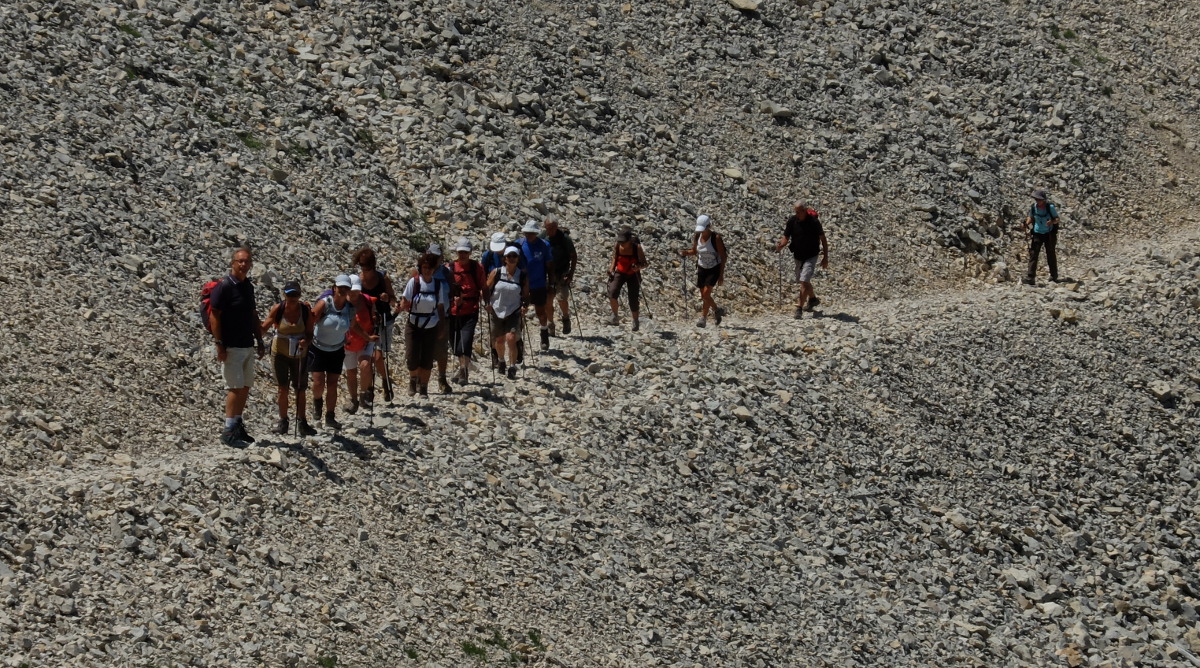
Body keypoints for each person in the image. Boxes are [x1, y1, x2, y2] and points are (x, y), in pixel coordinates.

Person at [208, 246, 266, 448]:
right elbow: (214, 315)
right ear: (233, 263)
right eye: (240, 261)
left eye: (247, 261)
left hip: (247, 343)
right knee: (234, 387)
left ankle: (237, 424)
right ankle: (228, 429)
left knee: (245, 385)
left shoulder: (247, 286)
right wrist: (219, 344)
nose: (243, 265)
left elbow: (252, 313)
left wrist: (259, 340)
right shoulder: (225, 287)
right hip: (231, 345)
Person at [309, 274, 376, 429]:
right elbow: (311, 320)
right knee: (319, 382)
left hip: (337, 350)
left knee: (332, 383)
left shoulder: (349, 309)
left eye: (346, 288)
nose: (343, 290)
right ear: (334, 288)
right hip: (318, 348)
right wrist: (304, 338)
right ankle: (317, 403)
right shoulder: (324, 304)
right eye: (340, 288)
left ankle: (330, 416)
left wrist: (368, 337)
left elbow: (354, 326)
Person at [260, 280, 317, 436]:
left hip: (299, 353)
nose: (292, 298)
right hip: (280, 353)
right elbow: (264, 328)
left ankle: (302, 422)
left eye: (295, 294)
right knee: (282, 388)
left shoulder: (304, 310)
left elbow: (310, 332)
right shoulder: (278, 309)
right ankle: (283, 421)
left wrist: (306, 341)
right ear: (284, 294)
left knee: (300, 388)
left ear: (299, 295)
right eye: (290, 294)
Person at [353, 246, 399, 403]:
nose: (365, 269)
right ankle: (370, 390)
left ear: (373, 265)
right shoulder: (358, 280)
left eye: (367, 266)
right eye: (362, 266)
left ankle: (385, 383)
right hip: (366, 322)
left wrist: (388, 298)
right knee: (370, 357)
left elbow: (394, 300)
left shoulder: (382, 278)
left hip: (383, 320)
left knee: (378, 356)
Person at [400, 253, 449, 397]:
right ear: (421, 268)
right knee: (411, 356)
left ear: (434, 269)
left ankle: (423, 388)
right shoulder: (414, 282)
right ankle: (413, 379)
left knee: (427, 358)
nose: (427, 270)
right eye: (424, 267)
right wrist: (403, 304)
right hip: (414, 324)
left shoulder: (437, 285)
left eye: (429, 268)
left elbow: (440, 307)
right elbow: (405, 300)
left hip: (431, 324)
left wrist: (441, 326)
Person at [776, 201, 829, 319]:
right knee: (803, 281)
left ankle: (799, 308)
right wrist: (781, 245)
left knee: (804, 280)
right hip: (798, 255)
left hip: (811, 255)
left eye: (799, 211)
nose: (797, 214)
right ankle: (813, 299)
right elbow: (786, 236)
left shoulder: (814, 222)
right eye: (796, 211)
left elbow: (823, 240)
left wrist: (825, 257)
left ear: (805, 210)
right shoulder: (792, 221)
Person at [447, 238, 487, 385]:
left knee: (466, 340)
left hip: (471, 310)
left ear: (470, 252)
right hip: (453, 311)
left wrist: (487, 302)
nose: (462, 255)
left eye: (465, 252)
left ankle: (464, 370)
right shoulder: (450, 268)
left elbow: (483, 286)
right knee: (455, 342)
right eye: (460, 252)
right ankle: (462, 367)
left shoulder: (477, 268)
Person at [679, 214, 727, 327]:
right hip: (701, 268)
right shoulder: (697, 236)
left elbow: (723, 256)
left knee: (706, 294)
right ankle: (716, 310)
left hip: (713, 268)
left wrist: (721, 274)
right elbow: (694, 251)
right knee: (703, 296)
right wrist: (685, 252)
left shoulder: (716, 238)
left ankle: (703, 318)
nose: (702, 231)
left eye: (704, 229)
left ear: (709, 226)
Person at [487, 246, 527, 379]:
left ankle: (512, 366)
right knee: (498, 340)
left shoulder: (521, 275)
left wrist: (525, 306)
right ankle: (501, 360)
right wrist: (487, 303)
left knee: (511, 338)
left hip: (513, 311)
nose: (511, 259)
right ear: (504, 258)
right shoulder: (496, 272)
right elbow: (486, 289)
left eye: (514, 256)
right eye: (509, 256)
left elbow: (526, 295)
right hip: (497, 310)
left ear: (518, 259)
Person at [421, 243, 455, 393]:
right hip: (423, 317)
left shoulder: (446, 273)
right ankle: (421, 382)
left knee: (441, 350)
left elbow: (452, 291)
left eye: (436, 256)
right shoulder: (420, 272)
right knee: (423, 350)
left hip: (443, 317)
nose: (434, 259)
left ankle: (441, 379)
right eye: (431, 256)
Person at [519, 220, 556, 351]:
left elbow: (550, 266)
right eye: (527, 233)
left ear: (536, 233)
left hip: (539, 284)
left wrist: (551, 284)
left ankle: (544, 334)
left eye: (532, 233)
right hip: (522, 285)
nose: (529, 235)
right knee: (519, 313)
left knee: (540, 312)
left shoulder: (544, 245)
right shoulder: (519, 244)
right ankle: (518, 342)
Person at [343, 275, 376, 413]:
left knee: (365, 365)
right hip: (348, 341)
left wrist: (376, 321)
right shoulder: (342, 302)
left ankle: (363, 395)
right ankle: (354, 399)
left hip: (365, 340)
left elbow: (374, 316)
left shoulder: (367, 301)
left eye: (356, 291)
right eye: (351, 291)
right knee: (351, 372)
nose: (353, 294)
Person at [606, 226, 648, 331]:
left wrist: (638, 267)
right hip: (620, 272)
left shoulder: (637, 248)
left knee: (633, 298)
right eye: (620, 242)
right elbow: (615, 258)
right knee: (612, 292)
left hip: (633, 274)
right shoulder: (617, 246)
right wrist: (611, 269)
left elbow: (645, 263)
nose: (621, 244)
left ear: (629, 240)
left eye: (623, 242)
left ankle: (635, 321)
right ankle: (614, 316)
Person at [543, 218, 578, 336]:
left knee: (562, 298)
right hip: (548, 273)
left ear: (557, 226)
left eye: (552, 228)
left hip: (562, 271)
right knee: (548, 300)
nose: (550, 230)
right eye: (548, 228)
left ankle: (565, 318)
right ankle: (550, 325)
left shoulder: (565, 238)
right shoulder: (543, 238)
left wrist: (570, 274)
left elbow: (574, 256)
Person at [1022, 189, 1060, 284]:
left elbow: (1057, 218)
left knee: (1050, 254)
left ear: (1043, 200)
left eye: (1039, 199)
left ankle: (1053, 275)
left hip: (1049, 233)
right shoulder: (1033, 207)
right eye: (1036, 199)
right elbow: (1030, 217)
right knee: (1033, 254)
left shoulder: (1050, 207)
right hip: (1037, 232)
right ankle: (1031, 277)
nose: (1038, 201)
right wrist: (1026, 224)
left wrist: (1051, 222)